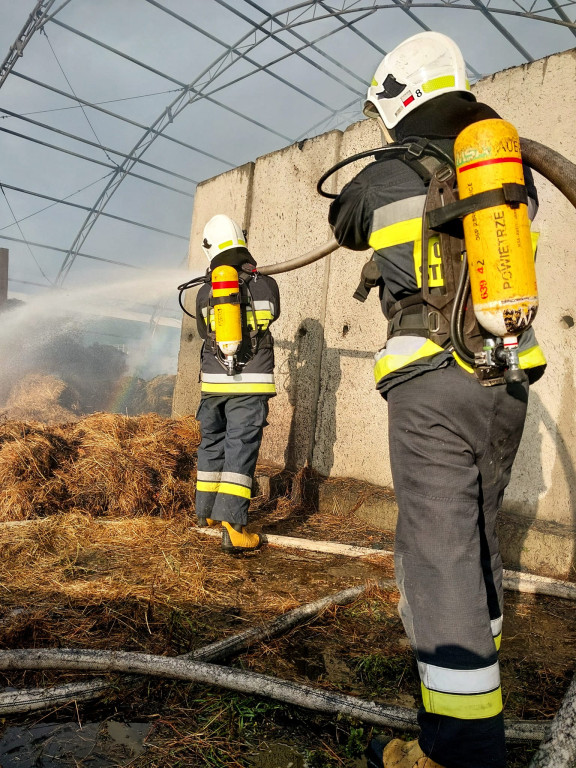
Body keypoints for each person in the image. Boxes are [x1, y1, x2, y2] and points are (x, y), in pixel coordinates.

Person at [327, 32, 546, 768]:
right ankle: (473, 681)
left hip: (431, 382)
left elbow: (344, 222)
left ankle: (458, 749)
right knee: (477, 538)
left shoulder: (386, 173)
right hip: (505, 378)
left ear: (398, 97)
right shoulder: (502, 163)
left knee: (438, 557)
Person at [194, 214, 280, 554]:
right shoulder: (265, 284)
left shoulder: (204, 293)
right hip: (250, 382)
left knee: (212, 441)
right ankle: (234, 525)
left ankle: (207, 514)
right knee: (240, 446)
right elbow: (273, 313)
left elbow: (204, 333)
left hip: (213, 385)